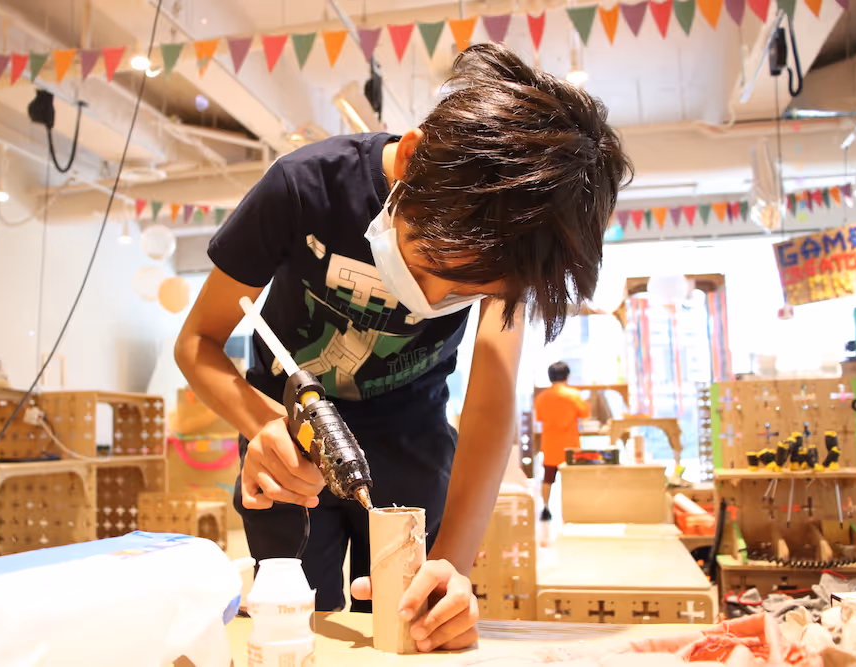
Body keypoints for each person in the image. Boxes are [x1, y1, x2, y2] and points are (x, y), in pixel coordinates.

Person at [175, 43, 631, 651]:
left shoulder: (512, 250)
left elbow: (490, 406)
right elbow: (197, 342)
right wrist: (262, 426)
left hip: (410, 436)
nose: (430, 298)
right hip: (289, 433)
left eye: (466, 293)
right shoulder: (303, 188)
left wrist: (453, 567)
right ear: (413, 158)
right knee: (291, 624)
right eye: (429, 264)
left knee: (414, 627)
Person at [534, 361, 590, 521]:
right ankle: (574, 509)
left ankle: (545, 508)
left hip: (550, 445)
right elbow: (584, 413)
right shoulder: (573, 395)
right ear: (567, 376)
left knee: (548, 478)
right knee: (573, 480)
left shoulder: (542, 397)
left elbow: (539, 417)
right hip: (570, 445)